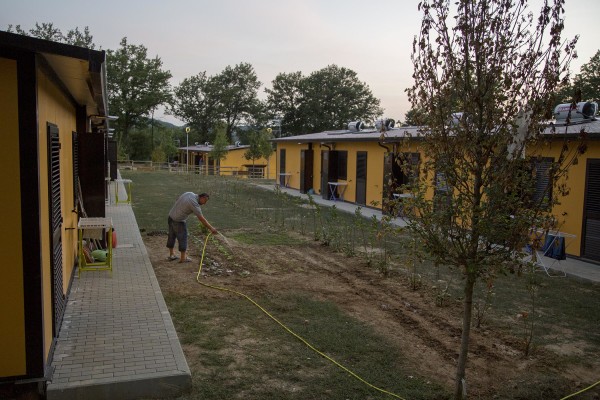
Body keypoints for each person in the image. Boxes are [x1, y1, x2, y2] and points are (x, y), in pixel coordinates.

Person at [167, 192, 217, 263]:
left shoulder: (189, 193)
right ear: (202, 198)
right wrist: (211, 228)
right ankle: (183, 258)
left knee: (171, 236)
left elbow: (177, 199)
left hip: (171, 216)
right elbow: (202, 219)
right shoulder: (194, 204)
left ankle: (171, 255)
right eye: (205, 201)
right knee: (183, 238)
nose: (204, 204)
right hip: (179, 221)